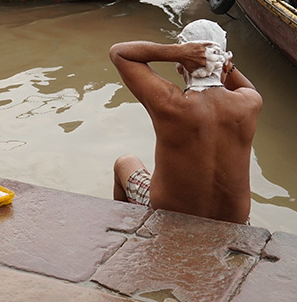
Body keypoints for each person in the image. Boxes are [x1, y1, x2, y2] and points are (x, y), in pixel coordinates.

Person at [109, 19, 262, 224]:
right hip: (233, 222)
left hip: (171, 218)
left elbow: (119, 52)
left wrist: (178, 53)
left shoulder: (170, 103)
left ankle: (128, 235)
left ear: (180, 68)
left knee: (125, 162)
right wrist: (223, 61)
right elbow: (246, 86)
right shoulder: (250, 103)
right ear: (225, 64)